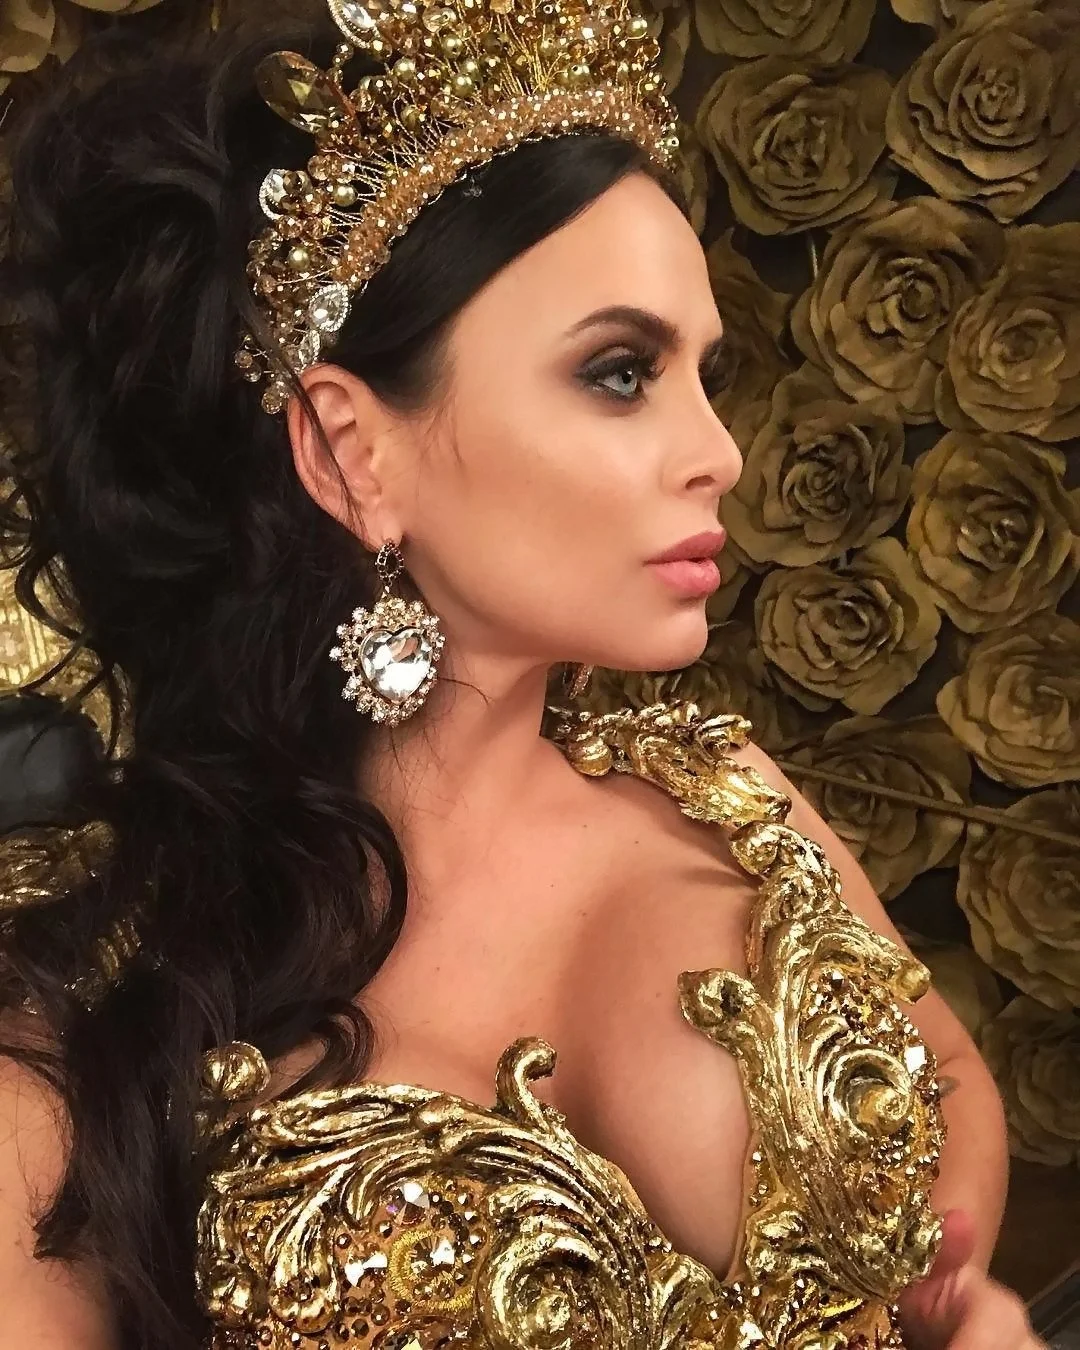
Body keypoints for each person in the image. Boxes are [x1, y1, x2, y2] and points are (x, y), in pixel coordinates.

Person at [0, 1, 1044, 1347]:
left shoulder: (723, 788)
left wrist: (958, 1302)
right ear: (351, 452)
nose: (720, 452)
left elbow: (945, 1072)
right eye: (620, 372)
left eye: (706, 373)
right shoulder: (84, 1020)